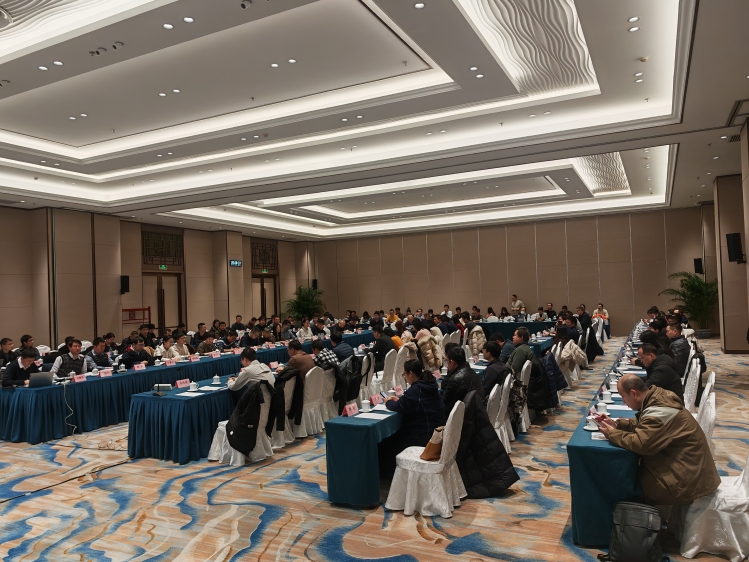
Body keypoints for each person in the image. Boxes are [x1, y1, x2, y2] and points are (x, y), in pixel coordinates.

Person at [596, 375, 720, 506]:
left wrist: (612, 434)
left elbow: (641, 444)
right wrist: (618, 425)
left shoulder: (658, 412)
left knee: (620, 482)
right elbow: (643, 425)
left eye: (623, 396)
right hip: (688, 469)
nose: (623, 401)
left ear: (633, 393)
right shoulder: (657, 397)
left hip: (684, 482)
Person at [378, 359, 446, 477]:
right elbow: (409, 402)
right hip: (434, 430)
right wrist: (400, 400)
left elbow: (398, 406)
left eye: (404, 374)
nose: (404, 377)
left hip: (422, 436)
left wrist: (387, 402)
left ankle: (390, 476)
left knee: (385, 442)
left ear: (411, 374)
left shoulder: (416, 390)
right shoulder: (429, 384)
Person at [441, 345, 484, 415]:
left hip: (464, 417)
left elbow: (445, 406)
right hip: (477, 412)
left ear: (452, 362)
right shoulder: (471, 372)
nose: (447, 364)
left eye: (447, 361)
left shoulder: (455, 380)